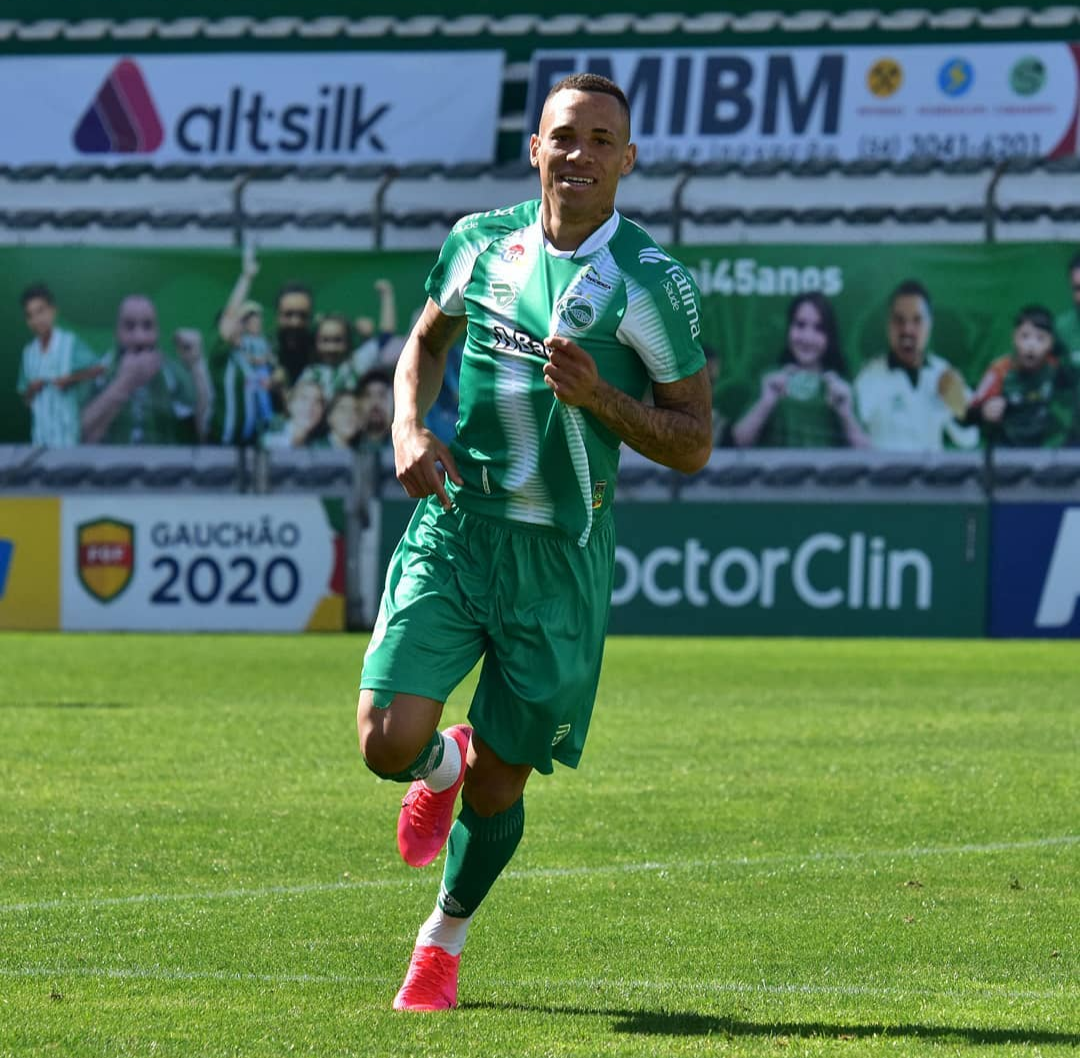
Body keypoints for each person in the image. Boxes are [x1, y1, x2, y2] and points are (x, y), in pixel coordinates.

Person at [354, 73, 711, 1012]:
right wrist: (407, 428)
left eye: (603, 140)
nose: (581, 154)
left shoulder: (654, 286)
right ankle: (438, 763)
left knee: (504, 787)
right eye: (565, 136)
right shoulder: (478, 242)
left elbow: (695, 440)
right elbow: (425, 343)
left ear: (627, 161)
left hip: (559, 558)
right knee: (386, 742)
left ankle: (444, 937)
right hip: (459, 530)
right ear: (536, 148)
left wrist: (601, 400)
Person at [853, 278, 979, 452]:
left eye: (917, 320)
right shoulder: (869, 376)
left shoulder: (943, 372)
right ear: (888, 325)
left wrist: (956, 404)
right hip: (886, 476)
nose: (907, 330)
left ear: (930, 325)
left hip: (932, 476)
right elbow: (852, 435)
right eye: (899, 320)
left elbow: (969, 439)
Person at [732, 293, 870, 448]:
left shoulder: (841, 389)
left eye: (819, 328)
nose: (807, 337)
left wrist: (845, 413)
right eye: (800, 325)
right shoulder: (771, 381)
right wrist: (766, 402)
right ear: (789, 328)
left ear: (829, 337)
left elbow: (865, 452)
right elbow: (740, 441)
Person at [81, 295, 211, 446]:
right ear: (116, 332)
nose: (139, 338)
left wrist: (196, 365)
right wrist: (124, 383)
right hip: (109, 466)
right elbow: (80, 435)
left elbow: (204, 432)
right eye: (129, 327)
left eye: (148, 326)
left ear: (158, 331)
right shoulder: (99, 372)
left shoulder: (171, 373)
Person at [964, 305, 1077, 447]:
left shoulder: (1055, 367)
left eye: (1040, 339)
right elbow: (967, 416)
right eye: (1024, 336)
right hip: (1006, 447)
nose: (1031, 346)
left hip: (1042, 446)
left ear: (1050, 343)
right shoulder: (999, 370)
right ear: (1014, 337)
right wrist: (983, 412)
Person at [16, 282, 103, 447]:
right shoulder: (28, 353)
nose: (36, 320)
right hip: (40, 437)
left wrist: (71, 379)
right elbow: (25, 399)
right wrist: (32, 389)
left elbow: (99, 369)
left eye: (40, 311)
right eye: (30, 315)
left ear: (53, 311)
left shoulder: (69, 343)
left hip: (68, 434)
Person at [259, 376, 327, 449]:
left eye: (317, 401)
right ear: (289, 404)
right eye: (304, 398)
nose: (310, 406)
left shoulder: (317, 445)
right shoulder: (269, 438)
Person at [274, 280, 315, 388]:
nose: (295, 322)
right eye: (288, 314)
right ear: (278, 316)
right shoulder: (266, 350)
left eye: (303, 315)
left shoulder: (320, 351)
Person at [354, 367, 394, 447]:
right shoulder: (345, 444)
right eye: (368, 396)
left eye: (382, 395)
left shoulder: (407, 446)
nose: (375, 402)